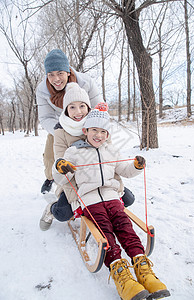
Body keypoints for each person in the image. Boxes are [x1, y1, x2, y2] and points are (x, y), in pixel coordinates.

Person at [52, 108, 170, 300]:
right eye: (94, 130)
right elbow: (61, 178)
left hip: (112, 197)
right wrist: (61, 167)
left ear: (108, 134)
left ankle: (142, 268)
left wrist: (136, 167)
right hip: (90, 200)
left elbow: (123, 169)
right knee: (105, 233)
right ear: (86, 131)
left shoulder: (111, 150)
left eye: (103, 132)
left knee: (125, 227)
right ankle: (120, 274)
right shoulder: (74, 151)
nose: (99, 135)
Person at [39, 83, 135, 231]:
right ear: (66, 110)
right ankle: (51, 210)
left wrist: (114, 188)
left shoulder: (98, 123)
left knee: (128, 198)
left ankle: (106, 212)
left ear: (88, 107)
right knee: (64, 213)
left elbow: (109, 155)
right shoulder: (60, 131)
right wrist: (62, 168)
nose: (78, 112)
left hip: (101, 180)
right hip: (76, 183)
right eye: (72, 107)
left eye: (82, 106)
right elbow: (60, 162)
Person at [36, 49, 104, 194]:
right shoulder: (42, 91)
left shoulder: (86, 82)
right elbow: (45, 117)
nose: (56, 79)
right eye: (51, 75)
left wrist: (89, 127)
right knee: (50, 157)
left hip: (85, 125)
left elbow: (98, 108)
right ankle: (50, 178)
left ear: (68, 71)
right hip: (58, 127)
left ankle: (100, 181)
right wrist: (58, 129)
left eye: (60, 73)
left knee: (93, 154)